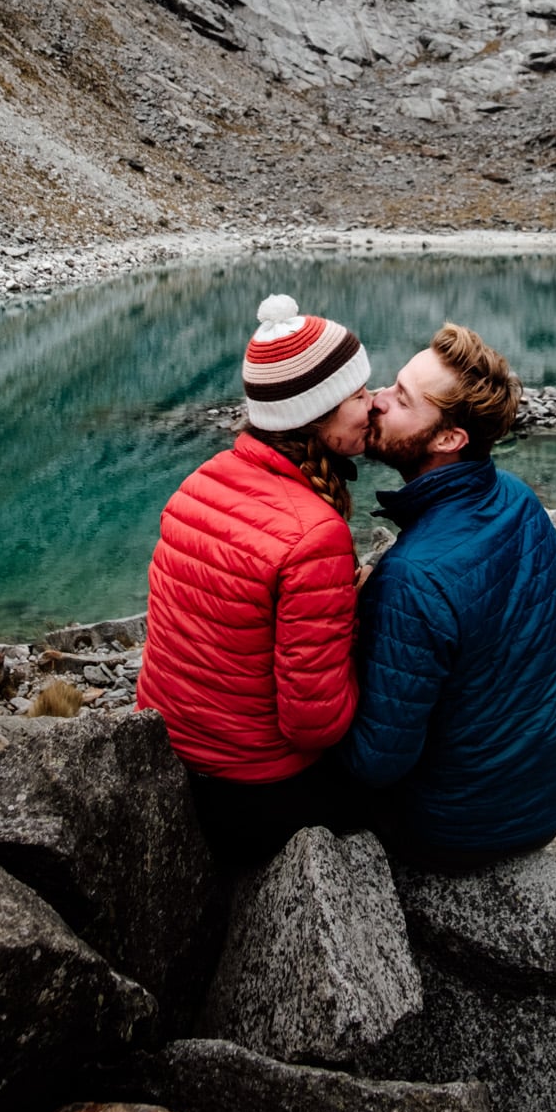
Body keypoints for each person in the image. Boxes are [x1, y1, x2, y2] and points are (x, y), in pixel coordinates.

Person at [136, 292, 371, 865]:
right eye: (359, 395)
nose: (375, 405)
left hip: (170, 755)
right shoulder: (314, 533)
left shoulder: (202, 480)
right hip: (253, 791)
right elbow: (313, 725)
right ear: (315, 417)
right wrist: (358, 631)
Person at [342, 322, 556, 869]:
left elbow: (377, 763)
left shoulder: (412, 577)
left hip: (460, 827)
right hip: (546, 796)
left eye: (402, 399)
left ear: (449, 439)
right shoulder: (518, 499)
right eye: (391, 384)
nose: (375, 401)